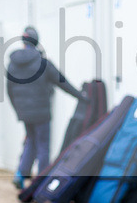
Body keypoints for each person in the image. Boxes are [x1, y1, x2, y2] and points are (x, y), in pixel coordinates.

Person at [6, 26, 83, 190]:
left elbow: (9, 90)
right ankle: (40, 183)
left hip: (24, 113)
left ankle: (20, 175)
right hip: (41, 112)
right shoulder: (43, 63)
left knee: (30, 141)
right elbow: (62, 82)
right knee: (42, 146)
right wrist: (81, 96)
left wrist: (18, 111)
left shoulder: (12, 64)